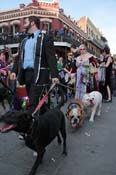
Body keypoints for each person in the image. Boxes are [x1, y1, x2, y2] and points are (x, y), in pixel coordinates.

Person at [10, 16, 59, 114]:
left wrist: (54, 75)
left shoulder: (46, 38)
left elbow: (51, 57)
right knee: (34, 101)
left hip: (40, 75)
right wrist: (14, 71)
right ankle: (45, 120)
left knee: (33, 102)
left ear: (32, 23)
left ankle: (32, 126)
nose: (23, 24)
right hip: (26, 75)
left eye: (26, 22)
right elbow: (19, 58)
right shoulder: (24, 41)